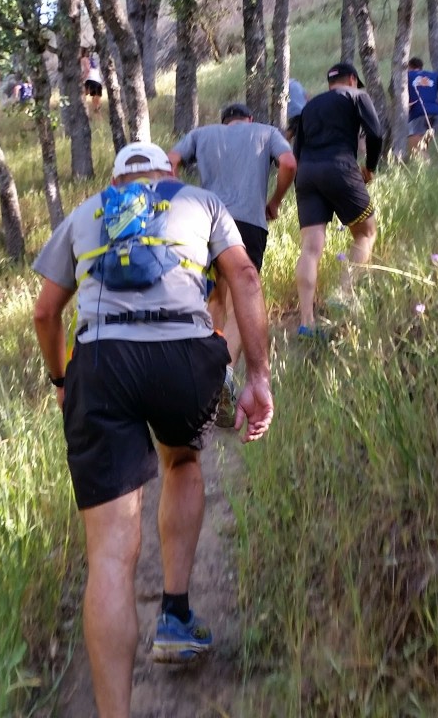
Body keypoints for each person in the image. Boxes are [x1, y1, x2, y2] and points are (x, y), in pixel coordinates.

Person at [32, 142, 273, 718]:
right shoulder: (201, 201)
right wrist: (257, 374)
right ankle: (175, 614)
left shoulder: (86, 212)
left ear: (118, 179)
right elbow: (242, 273)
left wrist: (61, 379)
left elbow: (45, 312)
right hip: (181, 355)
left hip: (100, 363)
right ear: (168, 173)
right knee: (183, 462)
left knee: (110, 555)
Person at [168, 102, 295, 413]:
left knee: (213, 296)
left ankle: (204, 375)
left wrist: (181, 197)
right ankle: (223, 373)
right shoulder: (266, 132)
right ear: (248, 119)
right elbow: (289, 163)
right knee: (240, 300)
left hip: (204, 223)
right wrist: (275, 201)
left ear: (224, 122)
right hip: (249, 223)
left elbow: (171, 160)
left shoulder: (201, 134)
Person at [293, 61, 383, 339]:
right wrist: (369, 167)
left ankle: (306, 322)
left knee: (310, 248)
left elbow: (296, 149)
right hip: (340, 167)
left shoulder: (309, 106)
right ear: (353, 79)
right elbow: (376, 133)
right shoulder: (357, 96)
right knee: (366, 232)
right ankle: (342, 296)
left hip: (306, 173)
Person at [407, 56, 438, 156]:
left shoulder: (406, 76)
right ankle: (429, 168)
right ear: (421, 67)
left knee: (416, 148)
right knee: (423, 146)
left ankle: (425, 169)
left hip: (418, 112)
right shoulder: (434, 75)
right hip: (436, 112)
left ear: (409, 66)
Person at [81, 49, 103, 115]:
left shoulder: (84, 59)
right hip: (98, 80)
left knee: (82, 96)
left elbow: (87, 70)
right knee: (96, 100)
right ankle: (99, 119)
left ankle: (85, 112)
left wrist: (82, 78)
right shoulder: (92, 60)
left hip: (90, 79)